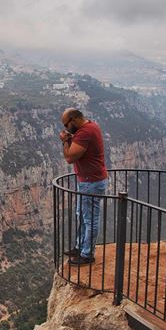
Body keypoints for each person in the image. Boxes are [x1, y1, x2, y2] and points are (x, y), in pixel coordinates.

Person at [59, 108, 108, 265]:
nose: (66, 128)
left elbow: (70, 157)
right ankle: (80, 247)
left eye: (66, 124)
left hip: (91, 183)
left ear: (73, 119)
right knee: (81, 214)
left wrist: (66, 141)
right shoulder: (89, 128)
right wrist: (71, 138)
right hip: (87, 181)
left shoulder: (85, 132)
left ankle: (87, 255)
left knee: (90, 219)